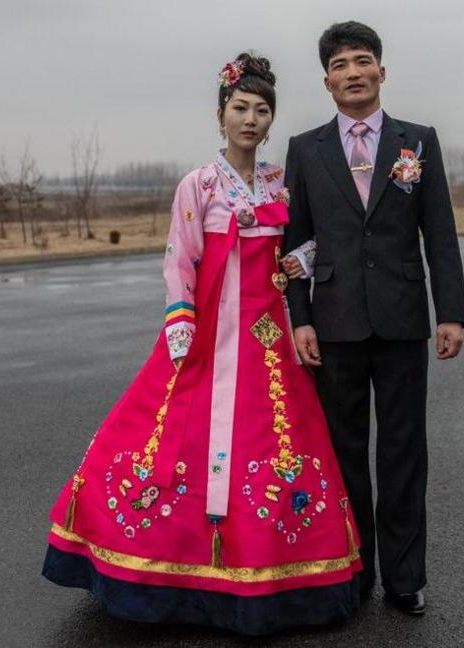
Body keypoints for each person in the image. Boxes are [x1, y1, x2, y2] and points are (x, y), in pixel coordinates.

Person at [41, 52, 363, 636]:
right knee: (167, 431)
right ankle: (162, 570)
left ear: (271, 122)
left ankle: (274, 572)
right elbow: (179, 257)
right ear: (221, 116)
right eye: (240, 108)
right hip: (208, 329)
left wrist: (301, 259)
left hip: (267, 339)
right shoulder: (199, 184)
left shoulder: (278, 183)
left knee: (272, 439)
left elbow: (311, 242)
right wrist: (180, 318)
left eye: (262, 111)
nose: (251, 119)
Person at [281, 21, 464, 616]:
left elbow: (439, 232)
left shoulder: (419, 141)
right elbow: (295, 242)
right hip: (332, 325)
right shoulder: (304, 149)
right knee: (342, 451)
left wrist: (452, 314)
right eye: (340, 65)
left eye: (363, 61)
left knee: (404, 450)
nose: (353, 73)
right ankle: (353, 571)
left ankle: (406, 577)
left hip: (404, 320)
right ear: (326, 81)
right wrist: (300, 318)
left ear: (382, 71)